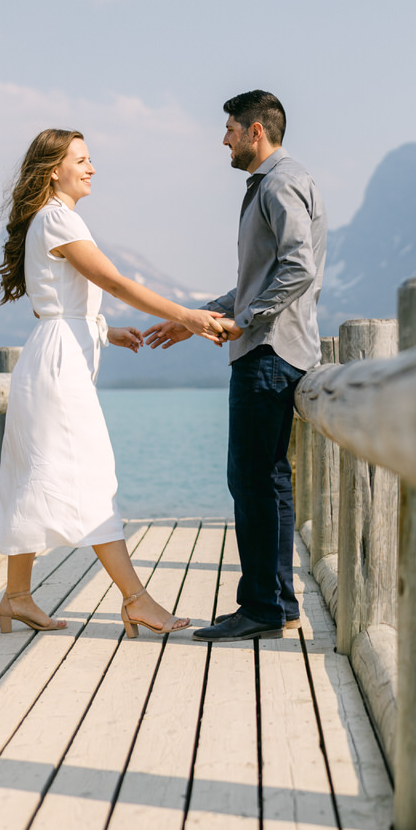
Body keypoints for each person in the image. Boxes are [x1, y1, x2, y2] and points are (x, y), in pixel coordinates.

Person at [0, 128, 227, 638]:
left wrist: (104, 332)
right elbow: (112, 281)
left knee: (32, 477)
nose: (92, 169)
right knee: (91, 478)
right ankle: (137, 600)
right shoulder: (57, 218)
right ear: (54, 169)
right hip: (58, 371)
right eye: (82, 160)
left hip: (51, 361)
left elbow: (56, 305)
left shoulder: (51, 219)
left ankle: (17, 597)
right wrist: (189, 315)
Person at [144, 90, 326, 642]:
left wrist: (247, 322)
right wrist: (200, 316)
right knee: (267, 480)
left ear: (255, 132)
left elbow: (298, 268)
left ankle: (262, 608)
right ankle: (279, 603)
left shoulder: (278, 182)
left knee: (250, 480)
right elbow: (262, 279)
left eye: (229, 129)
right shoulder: (276, 182)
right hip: (272, 348)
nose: (222, 139)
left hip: (268, 354)